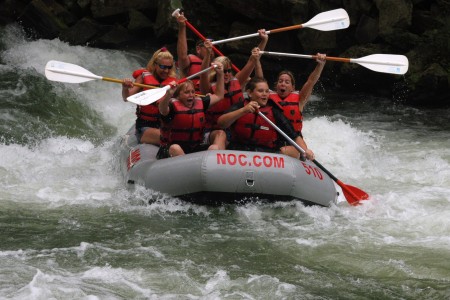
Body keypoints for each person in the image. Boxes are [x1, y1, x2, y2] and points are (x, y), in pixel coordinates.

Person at [217, 77, 315, 160]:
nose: (265, 94)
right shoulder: (240, 107)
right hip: (239, 150)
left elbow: (294, 136)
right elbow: (221, 123)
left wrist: (306, 151)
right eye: (260, 91)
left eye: (267, 91)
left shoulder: (274, 111)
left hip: (267, 154)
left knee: (290, 151)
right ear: (250, 93)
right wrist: (243, 111)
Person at [199, 32, 268, 136]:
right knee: (221, 135)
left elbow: (252, 61)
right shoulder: (208, 88)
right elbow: (203, 74)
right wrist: (208, 53)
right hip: (214, 131)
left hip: (235, 129)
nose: (226, 74)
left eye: (229, 71)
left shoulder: (236, 81)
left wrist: (263, 40)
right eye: (223, 70)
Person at [157, 62, 226, 159]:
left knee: (214, 147)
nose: (191, 95)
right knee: (175, 148)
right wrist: (168, 94)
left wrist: (220, 74)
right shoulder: (172, 106)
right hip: (171, 150)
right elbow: (162, 110)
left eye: (193, 92)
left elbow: (219, 95)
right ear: (178, 95)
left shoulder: (200, 102)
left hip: (194, 148)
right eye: (186, 92)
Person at [266, 54, 326, 158]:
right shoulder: (267, 97)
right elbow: (258, 79)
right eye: (280, 81)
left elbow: (311, 81)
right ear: (276, 86)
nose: (283, 84)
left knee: (282, 151)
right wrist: (256, 60)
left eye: (287, 82)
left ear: (292, 88)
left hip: (293, 143)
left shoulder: (300, 100)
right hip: (273, 140)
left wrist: (320, 64)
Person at [122, 47, 177, 145]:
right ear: (155, 65)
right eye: (163, 67)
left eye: (169, 67)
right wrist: (125, 88)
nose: (166, 71)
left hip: (164, 125)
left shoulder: (172, 82)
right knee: (170, 137)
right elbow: (127, 98)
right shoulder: (143, 78)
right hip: (145, 126)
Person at [175, 11, 215, 91]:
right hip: (190, 97)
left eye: (213, 48)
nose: (210, 50)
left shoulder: (217, 65)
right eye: (207, 47)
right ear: (198, 49)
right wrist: (182, 27)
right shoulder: (189, 61)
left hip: (209, 99)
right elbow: (182, 55)